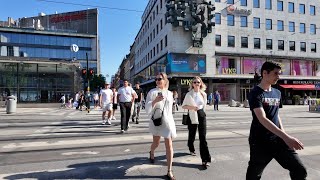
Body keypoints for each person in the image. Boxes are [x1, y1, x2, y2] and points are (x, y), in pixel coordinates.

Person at [246, 61, 307, 179]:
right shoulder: (255, 93)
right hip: (260, 142)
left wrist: (284, 135)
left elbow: (276, 115)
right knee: (254, 176)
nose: (278, 77)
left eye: (279, 73)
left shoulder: (277, 92)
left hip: (277, 139)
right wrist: (286, 137)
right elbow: (262, 118)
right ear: (265, 73)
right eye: (275, 73)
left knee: (300, 170)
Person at [145, 72, 176, 180]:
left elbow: (170, 109)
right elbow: (147, 108)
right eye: (156, 79)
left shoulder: (169, 93)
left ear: (165, 80)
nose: (158, 80)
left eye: (160, 79)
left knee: (169, 145)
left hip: (167, 121)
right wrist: (155, 101)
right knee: (156, 143)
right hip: (157, 121)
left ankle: (169, 171)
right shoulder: (152, 92)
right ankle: (152, 151)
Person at [182, 76, 211, 169]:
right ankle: (191, 147)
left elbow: (204, 105)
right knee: (192, 134)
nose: (196, 84)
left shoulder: (203, 94)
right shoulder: (189, 94)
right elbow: (183, 106)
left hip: (201, 115)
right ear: (192, 84)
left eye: (198, 82)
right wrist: (192, 108)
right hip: (192, 116)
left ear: (201, 83)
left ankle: (205, 159)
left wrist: (203, 113)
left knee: (203, 138)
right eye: (194, 82)